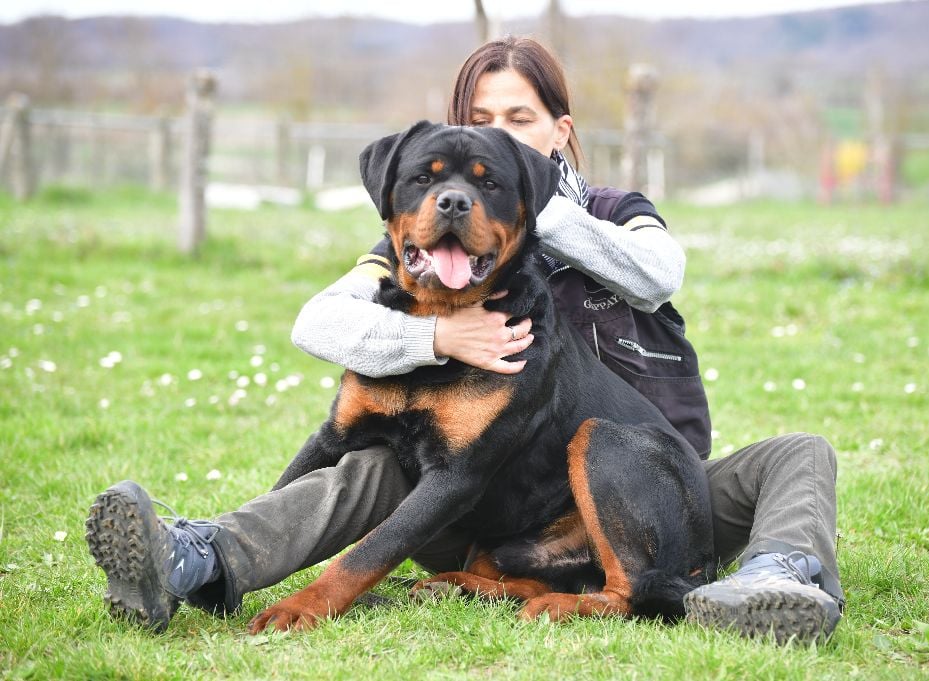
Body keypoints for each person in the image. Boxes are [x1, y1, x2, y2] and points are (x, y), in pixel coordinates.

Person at [86, 36, 842, 642]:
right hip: (491, 503)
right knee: (379, 460)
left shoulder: (610, 211)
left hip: (668, 480)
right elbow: (317, 322)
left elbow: (658, 273)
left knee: (802, 452)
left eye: (517, 120)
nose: (490, 148)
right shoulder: (417, 239)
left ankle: (769, 581)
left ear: (559, 131)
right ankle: (206, 555)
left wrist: (531, 196)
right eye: (482, 119)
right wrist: (441, 335)